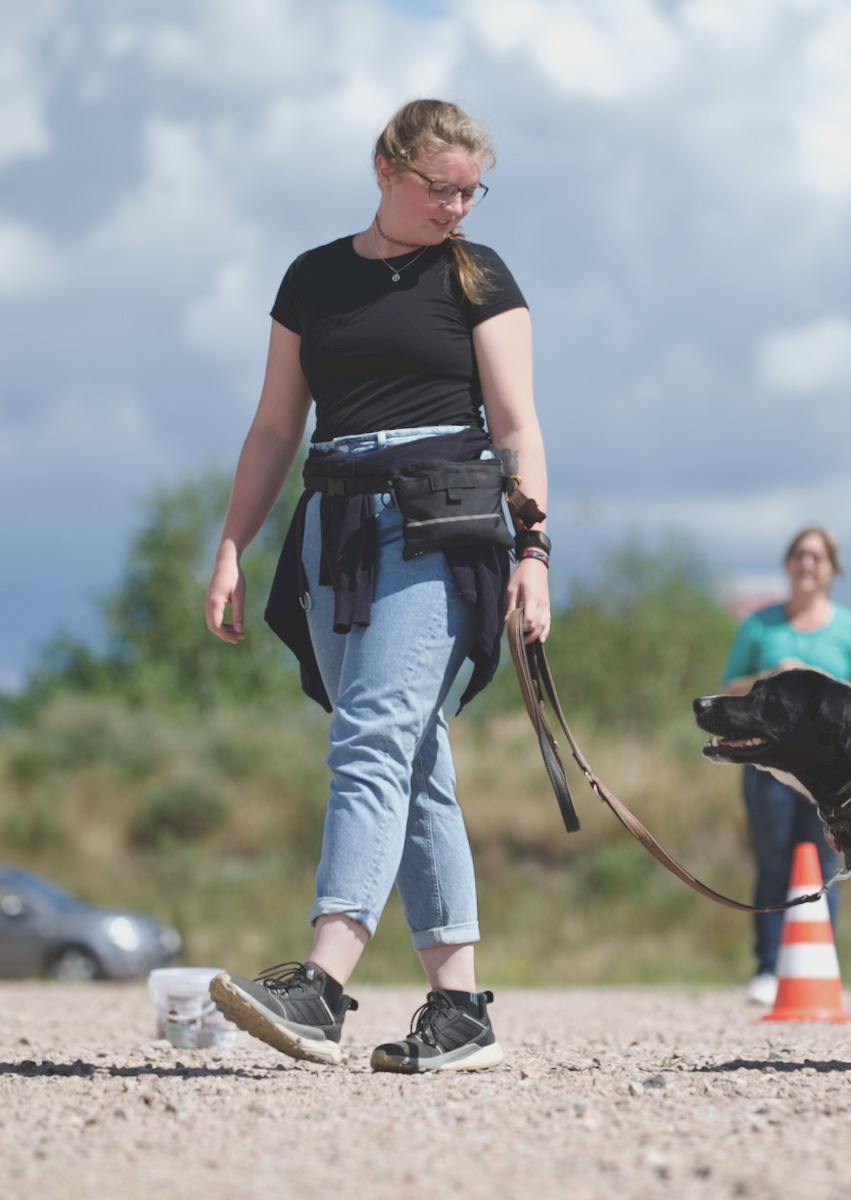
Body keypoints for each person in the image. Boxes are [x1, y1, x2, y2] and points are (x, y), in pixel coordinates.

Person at [202, 100, 551, 1073]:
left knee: (370, 738)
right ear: (386, 169)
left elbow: (519, 428)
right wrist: (234, 544)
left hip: (439, 520)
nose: (456, 207)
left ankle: (321, 980)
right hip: (334, 525)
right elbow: (276, 427)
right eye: (439, 188)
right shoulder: (312, 278)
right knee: (408, 753)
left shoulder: (478, 275)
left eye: (470, 191)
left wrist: (534, 555)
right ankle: (458, 1010)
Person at [719, 525, 851, 1006]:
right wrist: (770, 679)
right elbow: (731, 689)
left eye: (817, 556)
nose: (806, 564)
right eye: (798, 554)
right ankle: (769, 967)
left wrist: (830, 687)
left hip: (832, 777)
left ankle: (819, 965)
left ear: (832, 568)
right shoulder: (759, 626)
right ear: (787, 564)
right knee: (772, 860)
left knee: (824, 861)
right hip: (768, 768)